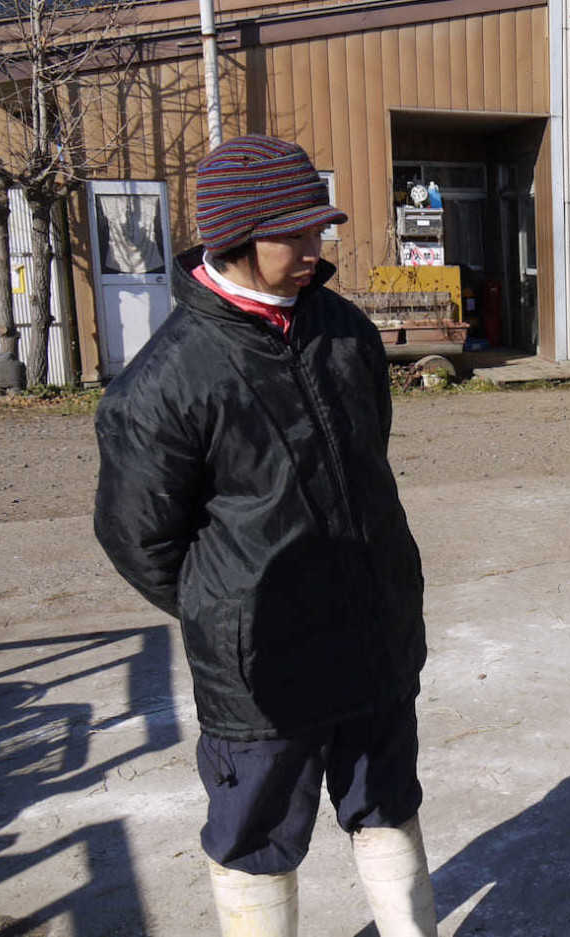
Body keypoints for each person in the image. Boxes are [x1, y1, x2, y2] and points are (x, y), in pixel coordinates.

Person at [93, 134, 436, 936]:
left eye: (321, 228)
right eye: (298, 233)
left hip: (375, 636)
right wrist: (232, 606)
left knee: (388, 803)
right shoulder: (164, 383)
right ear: (239, 237)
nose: (317, 248)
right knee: (256, 838)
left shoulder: (345, 331)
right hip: (266, 671)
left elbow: (367, 463)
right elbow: (139, 539)